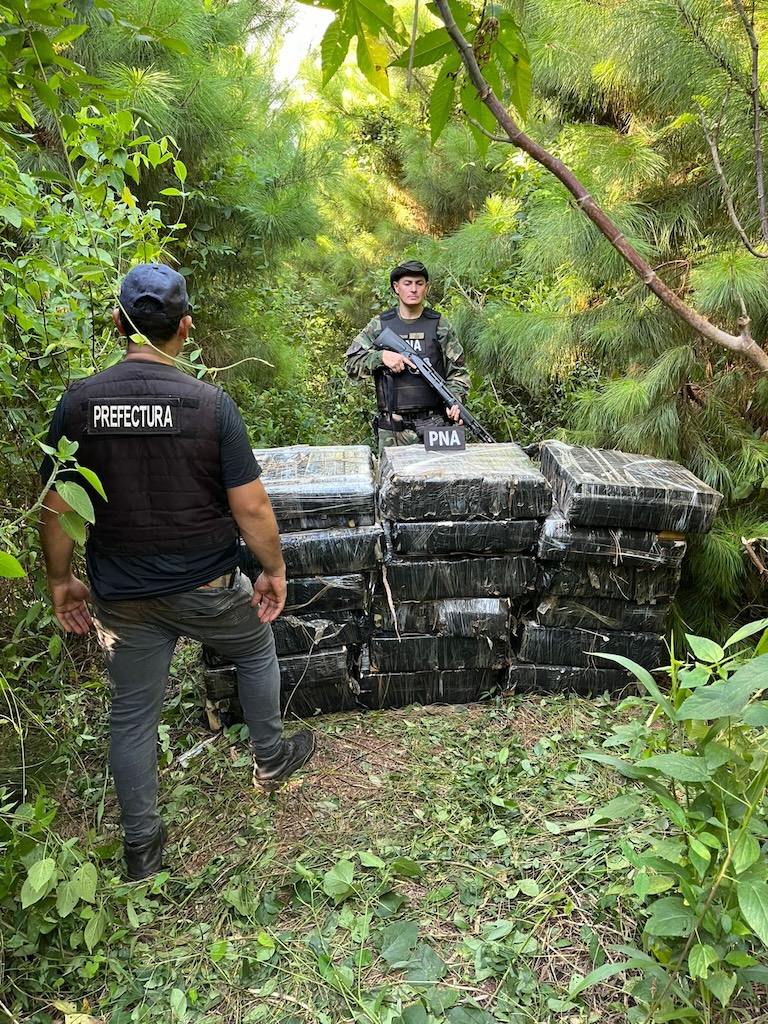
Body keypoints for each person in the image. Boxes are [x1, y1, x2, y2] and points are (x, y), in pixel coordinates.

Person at [38, 263, 315, 882]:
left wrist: (61, 582)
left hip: (123, 598)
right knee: (255, 648)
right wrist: (272, 569)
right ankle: (270, 759)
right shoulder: (208, 404)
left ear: (118, 323)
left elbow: (56, 508)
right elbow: (251, 505)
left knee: (132, 715)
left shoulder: (78, 405)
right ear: (184, 329)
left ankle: (142, 847)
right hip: (209, 586)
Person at [344, 259, 471, 449]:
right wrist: (381, 358)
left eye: (419, 283)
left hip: (437, 425)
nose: (414, 289)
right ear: (396, 287)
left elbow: (459, 373)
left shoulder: (440, 325)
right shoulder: (379, 325)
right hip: (394, 430)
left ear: (426, 287)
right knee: (394, 479)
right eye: (407, 283)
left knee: (446, 477)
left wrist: (454, 401)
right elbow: (351, 363)